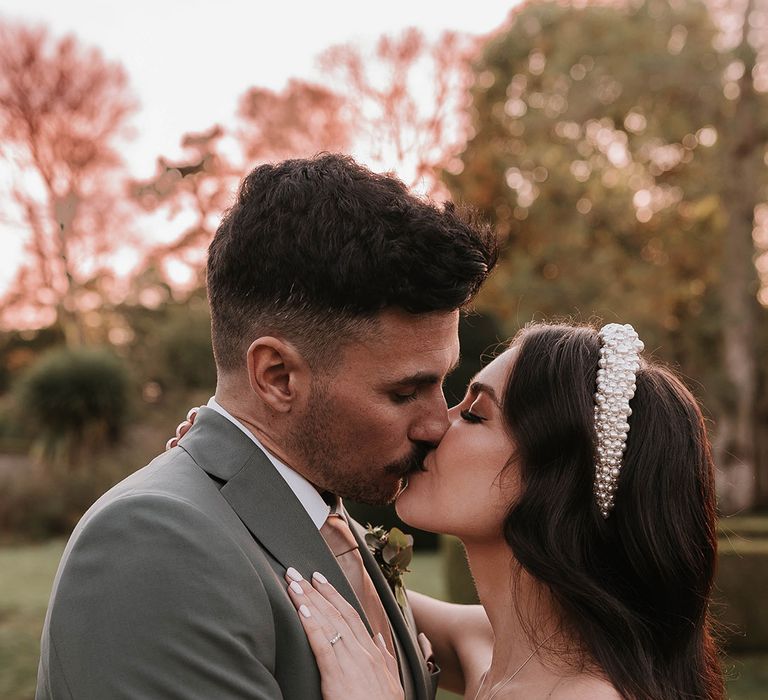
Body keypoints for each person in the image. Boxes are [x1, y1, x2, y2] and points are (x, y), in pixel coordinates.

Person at [35, 153, 498, 700]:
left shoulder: (313, 509)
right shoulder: (156, 547)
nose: (435, 424)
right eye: (403, 392)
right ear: (277, 376)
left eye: (442, 382)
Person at [282, 322, 724, 700]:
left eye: (474, 414)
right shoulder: (491, 646)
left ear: (556, 481)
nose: (436, 425)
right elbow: (341, 580)